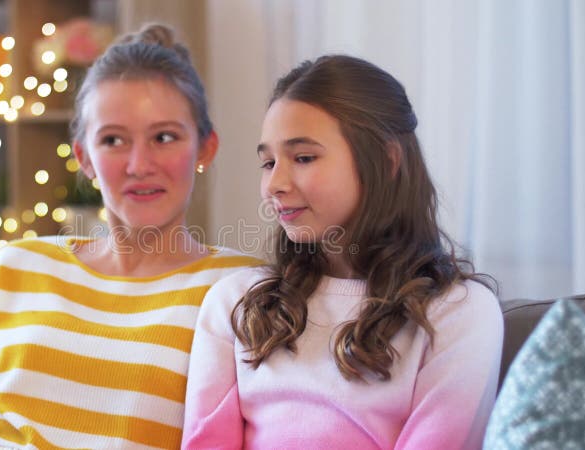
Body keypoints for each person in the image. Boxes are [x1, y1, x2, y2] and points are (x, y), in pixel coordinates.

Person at [0, 24, 261, 450]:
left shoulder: (241, 288)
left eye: (164, 137)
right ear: (85, 158)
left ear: (205, 148)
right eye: (113, 139)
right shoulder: (16, 266)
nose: (139, 164)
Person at [181, 55, 504, 449]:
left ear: (386, 162)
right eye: (268, 162)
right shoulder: (236, 302)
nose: (274, 184)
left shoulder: (458, 313)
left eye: (303, 157)